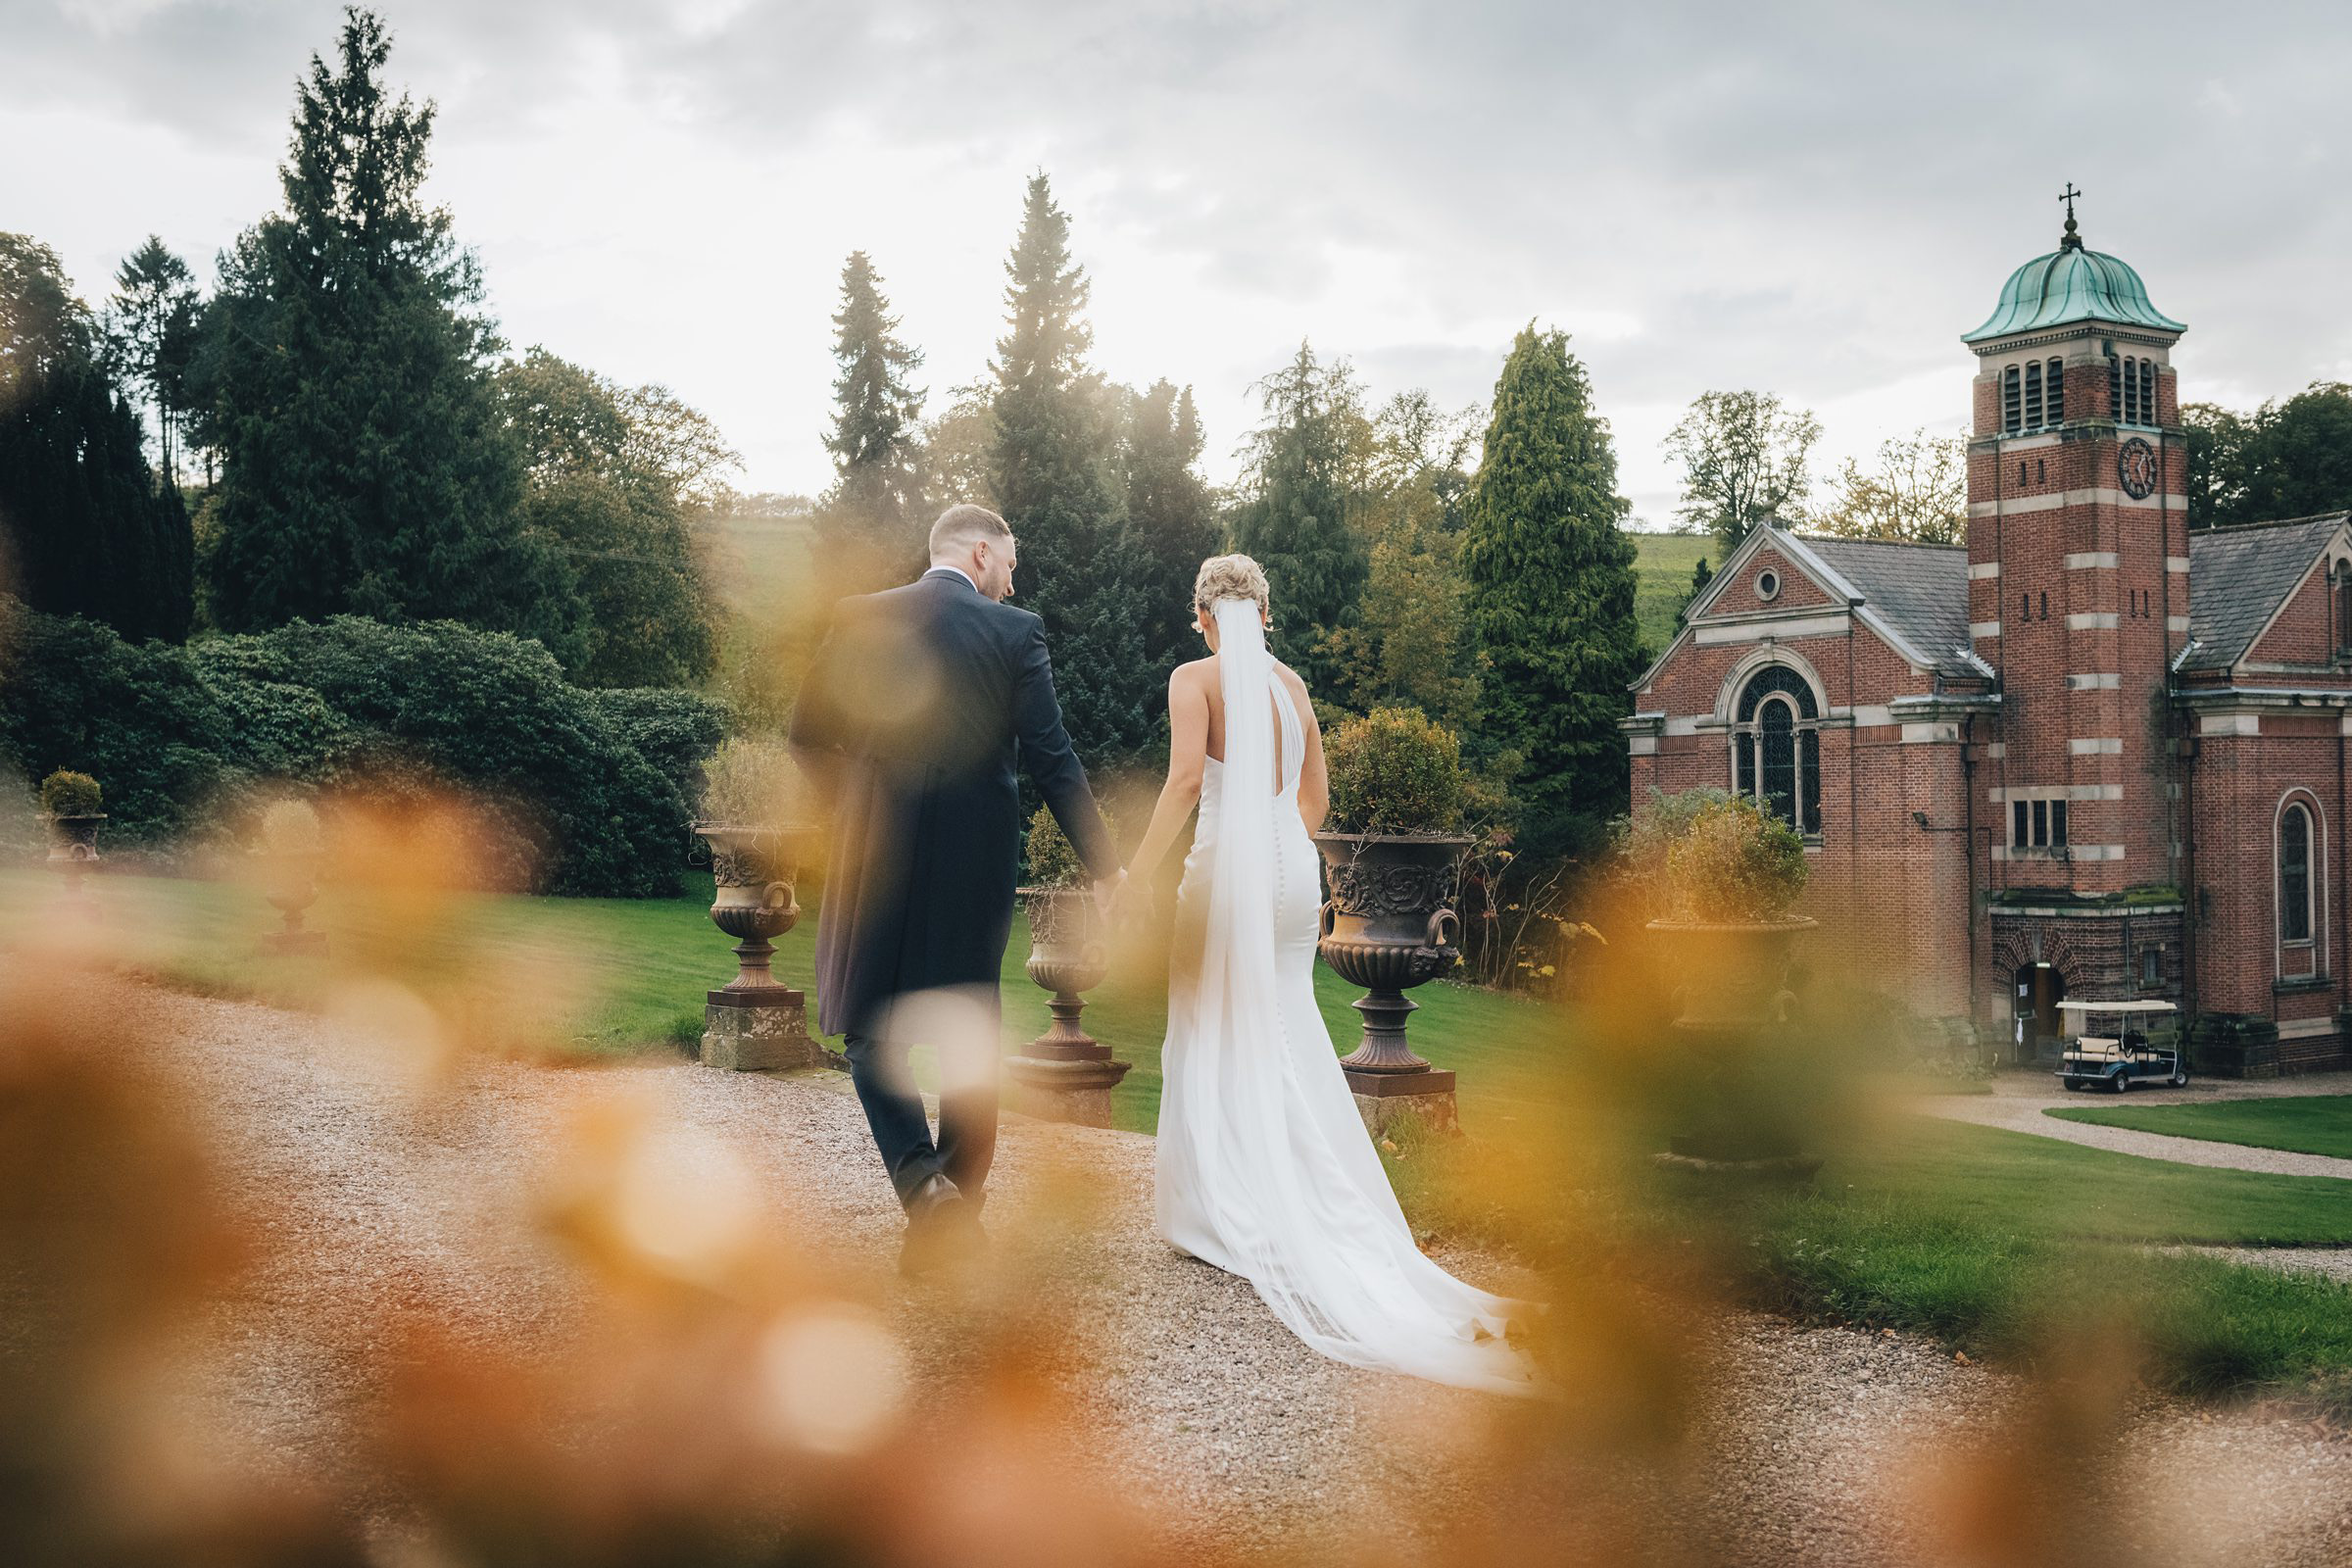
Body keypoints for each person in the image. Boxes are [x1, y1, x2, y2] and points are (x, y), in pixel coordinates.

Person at [1113, 554, 1535, 1395]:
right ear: (1263, 614)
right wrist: (1278, 839)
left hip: (1225, 873)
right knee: (1285, 1022)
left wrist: (1135, 871)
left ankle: (1221, 1204)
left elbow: (1188, 780)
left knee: (1211, 1024)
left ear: (1203, 616)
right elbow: (1315, 800)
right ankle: (1303, 1189)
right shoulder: (1291, 686)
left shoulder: (1192, 680)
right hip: (1290, 874)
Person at [790, 504, 1121, 1275]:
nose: (1013, 579)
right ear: (980, 553)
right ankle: (948, 1208)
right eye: (1011, 562)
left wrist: (859, 803)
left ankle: (926, 1199)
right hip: (975, 862)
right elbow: (1054, 760)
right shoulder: (1015, 633)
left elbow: (806, 734)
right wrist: (1105, 865)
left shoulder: (860, 616)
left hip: (875, 856)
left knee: (872, 1031)